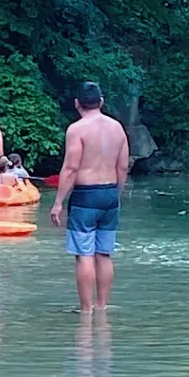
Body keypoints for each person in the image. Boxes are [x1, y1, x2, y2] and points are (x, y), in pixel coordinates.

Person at [49, 81, 130, 311]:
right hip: (110, 193)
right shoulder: (117, 128)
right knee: (103, 253)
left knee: (84, 255)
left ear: (77, 104)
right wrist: (117, 193)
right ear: (101, 102)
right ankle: (102, 306)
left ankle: (86, 310)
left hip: (85, 196)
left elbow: (71, 168)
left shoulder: (77, 129)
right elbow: (123, 166)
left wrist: (58, 202)